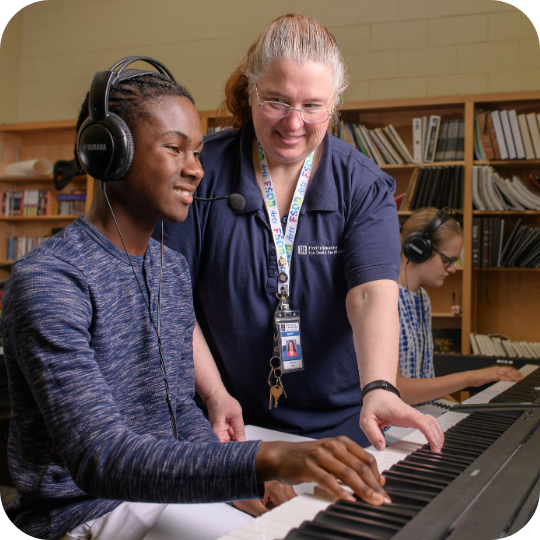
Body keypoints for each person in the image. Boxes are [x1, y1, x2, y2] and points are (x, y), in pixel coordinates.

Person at [0, 60, 393, 540]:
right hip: (86, 510)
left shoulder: (169, 269)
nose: (196, 170)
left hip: (161, 490)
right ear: (108, 154)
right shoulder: (49, 280)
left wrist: (238, 477)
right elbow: (99, 458)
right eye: (174, 149)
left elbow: (177, 410)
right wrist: (264, 458)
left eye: (198, 152)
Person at [160, 14, 444, 454]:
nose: (294, 123)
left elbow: (371, 294)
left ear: (335, 102)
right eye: (276, 100)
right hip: (227, 421)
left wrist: (381, 386)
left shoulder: (363, 185)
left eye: (313, 106)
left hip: (342, 426)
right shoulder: (200, 173)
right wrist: (215, 394)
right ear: (252, 90)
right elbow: (169, 297)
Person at [395, 207, 522, 405]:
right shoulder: (384, 300)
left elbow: (425, 385)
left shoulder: (423, 299)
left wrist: (460, 410)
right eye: (449, 260)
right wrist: (472, 378)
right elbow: (396, 391)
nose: (453, 269)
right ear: (420, 248)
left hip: (419, 418)